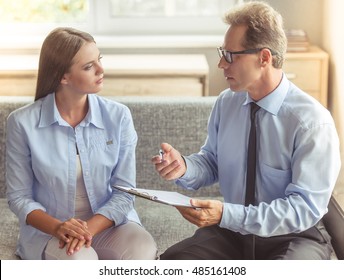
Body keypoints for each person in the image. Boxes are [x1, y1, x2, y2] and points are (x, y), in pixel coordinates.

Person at [152, 1, 341, 260]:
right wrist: (184, 166)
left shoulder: (311, 122)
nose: (221, 63)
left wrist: (226, 213)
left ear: (264, 58)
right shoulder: (226, 103)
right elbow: (212, 162)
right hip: (234, 231)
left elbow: (303, 210)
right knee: (173, 263)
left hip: (295, 235)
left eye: (230, 55)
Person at [6, 27, 157, 260]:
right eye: (89, 66)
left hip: (107, 226)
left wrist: (86, 230)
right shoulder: (21, 122)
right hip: (52, 231)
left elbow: (125, 193)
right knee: (80, 260)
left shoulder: (119, 116)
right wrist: (59, 228)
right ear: (62, 77)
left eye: (99, 60)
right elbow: (19, 197)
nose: (101, 70)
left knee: (142, 250)